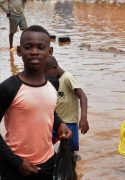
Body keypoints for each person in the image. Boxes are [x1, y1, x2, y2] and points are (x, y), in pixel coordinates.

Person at [0, 25, 72, 179]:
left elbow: (46, 108)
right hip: (15, 167)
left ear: (50, 52)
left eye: (40, 47)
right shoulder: (8, 88)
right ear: (19, 51)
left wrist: (60, 123)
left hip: (48, 163)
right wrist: (17, 162)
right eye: (28, 47)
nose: (34, 51)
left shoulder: (52, 84)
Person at [45, 56, 89, 160]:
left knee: (70, 153)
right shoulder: (52, 81)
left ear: (54, 67)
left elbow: (83, 97)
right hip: (57, 122)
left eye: (46, 72)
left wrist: (83, 118)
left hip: (70, 122)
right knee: (45, 146)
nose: (45, 76)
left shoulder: (67, 77)